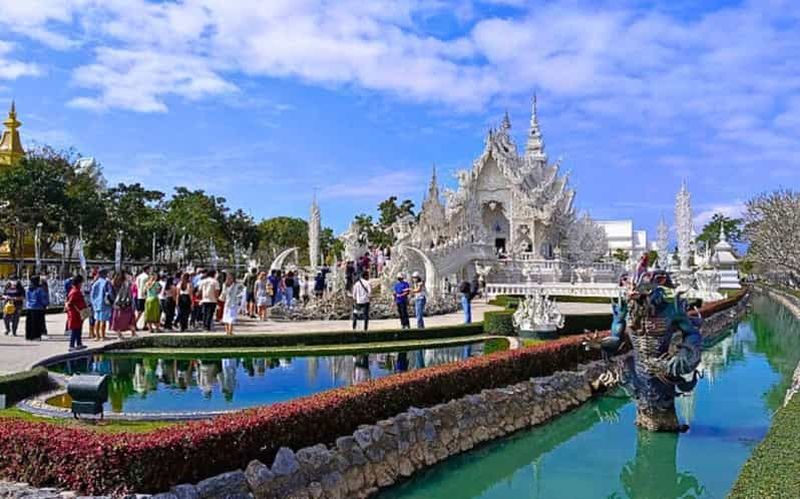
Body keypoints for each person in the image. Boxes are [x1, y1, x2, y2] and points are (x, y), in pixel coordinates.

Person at [110, 270, 137, 339]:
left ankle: (119, 335)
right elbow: (129, 295)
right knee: (130, 319)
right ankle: (133, 333)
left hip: (117, 304)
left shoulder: (113, 283)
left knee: (117, 320)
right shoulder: (126, 283)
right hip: (125, 304)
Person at [65, 275, 88, 351]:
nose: (82, 284)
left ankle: (79, 343)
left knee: (78, 329)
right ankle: (71, 345)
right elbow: (70, 302)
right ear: (78, 283)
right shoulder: (75, 292)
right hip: (75, 314)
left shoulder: (75, 290)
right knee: (75, 330)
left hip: (77, 314)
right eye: (81, 282)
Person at [90, 269, 113, 341]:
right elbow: (110, 293)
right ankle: (103, 336)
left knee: (97, 320)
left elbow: (92, 294)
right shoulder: (106, 282)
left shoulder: (95, 283)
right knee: (103, 320)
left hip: (96, 304)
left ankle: (97, 336)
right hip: (104, 304)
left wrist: (93, 303)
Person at [25, 276, 49, 341]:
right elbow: (42, 299)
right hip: (38, 308)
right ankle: (36, 337)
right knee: (37, 323)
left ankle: (29, 336)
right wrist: (46, 304)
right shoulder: (39, 289)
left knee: (29, 323)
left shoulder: (28, 288)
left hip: (29, 307)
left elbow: (27, 298)